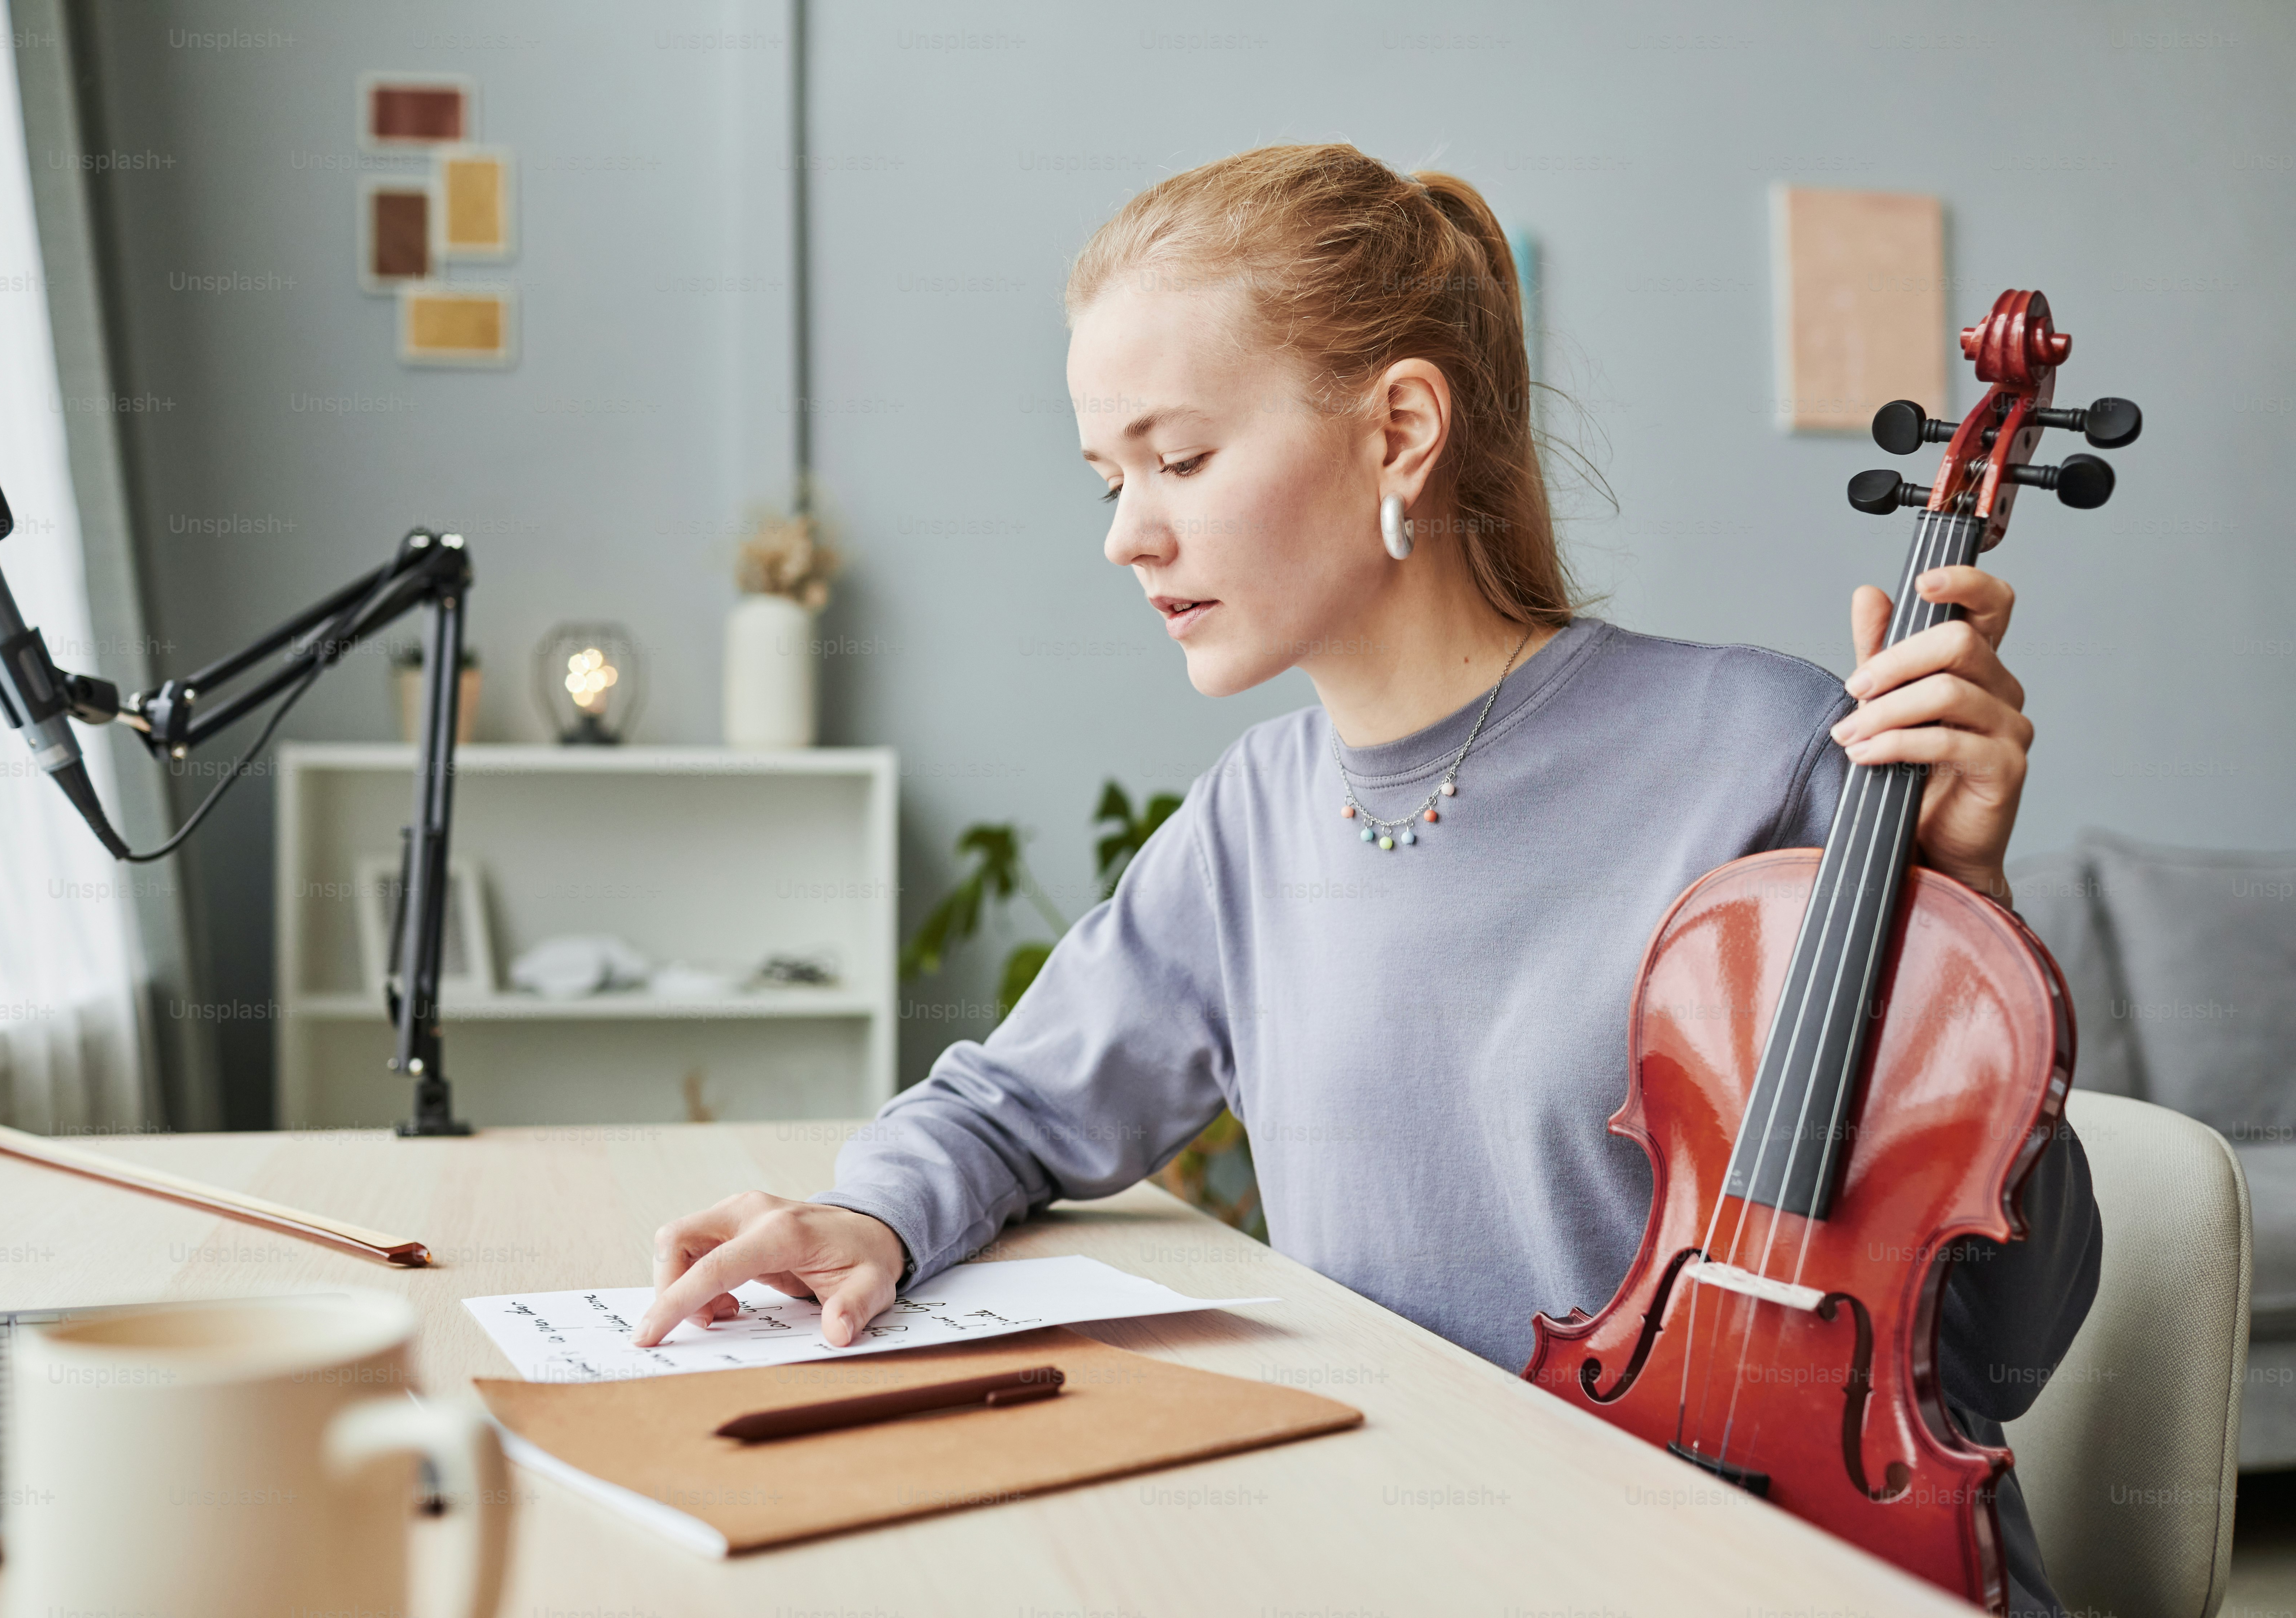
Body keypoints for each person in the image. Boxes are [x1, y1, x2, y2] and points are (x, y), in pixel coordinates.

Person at [632, 144, 2100, 1614]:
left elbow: (1992, 1355)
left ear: (1402, 429)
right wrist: (876, 1217)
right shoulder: (1254, 819)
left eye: (1181, 458)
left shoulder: (1765, 753)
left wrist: (1969, 900)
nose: (1126, 534)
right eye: (1109, 475)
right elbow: (1013, 1104)